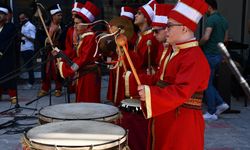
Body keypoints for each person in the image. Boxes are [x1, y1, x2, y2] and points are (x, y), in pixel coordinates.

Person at [126, 0, 210, 149]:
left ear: (184, 28)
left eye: (169, 26)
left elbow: (181, 91)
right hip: (168, 117)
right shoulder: (174, 51)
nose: (166, 30)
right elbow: (159, 80)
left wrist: (151, 94)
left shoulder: (195, 57)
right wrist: (132, 80)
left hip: (182, 124)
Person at [57, 1, 101, 103]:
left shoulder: (90, 37)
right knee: (83, 101)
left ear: (86, 24)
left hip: (89, 76)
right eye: (74, 23)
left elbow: (83, 59)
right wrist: (61, 54)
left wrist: (66, 69)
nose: (75, 26)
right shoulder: (84, 37)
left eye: (77, 23)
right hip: (84, 74)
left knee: (88, 102)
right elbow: (76, 54)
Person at [200, 0, 229, 121]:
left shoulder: (211, 19)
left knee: (206, 83)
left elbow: (206, 37)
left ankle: (212, 111)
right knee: (209, 82)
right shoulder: (224, 20)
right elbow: (226, 39)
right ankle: (221, 104)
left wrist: (198, 44)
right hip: (218, 55)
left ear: (209, 7)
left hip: (209, 54)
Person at [38, 4, 64, 97]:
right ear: (53, 16)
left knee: (57, 71)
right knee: (46, 71)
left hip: (58, 52)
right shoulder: (45, 26)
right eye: (58, 15)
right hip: (47, 52)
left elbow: (64, 40)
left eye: (61, 15)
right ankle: (45, 88)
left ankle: (58, 88)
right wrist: (46, 39)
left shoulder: (63, 27)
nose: (60, 17)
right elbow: (39, 37)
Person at [0, 4, 18, 104]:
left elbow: (8, 41)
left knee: (9, 75)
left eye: (1, 14)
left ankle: (13, 95)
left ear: (6, 16)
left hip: (7, 56)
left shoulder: (10, 27)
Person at [18, 12, 36, 89]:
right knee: (26, 66)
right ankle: (29, 80)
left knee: (29, 66)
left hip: (29, 48)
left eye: (22, 18)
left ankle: (31, 82)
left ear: (27, 18)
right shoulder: (23, 26)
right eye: (20, 19)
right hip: (23, 48)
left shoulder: (31, 26)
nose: (21, 20)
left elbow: (33, 39)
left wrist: (24, 35)